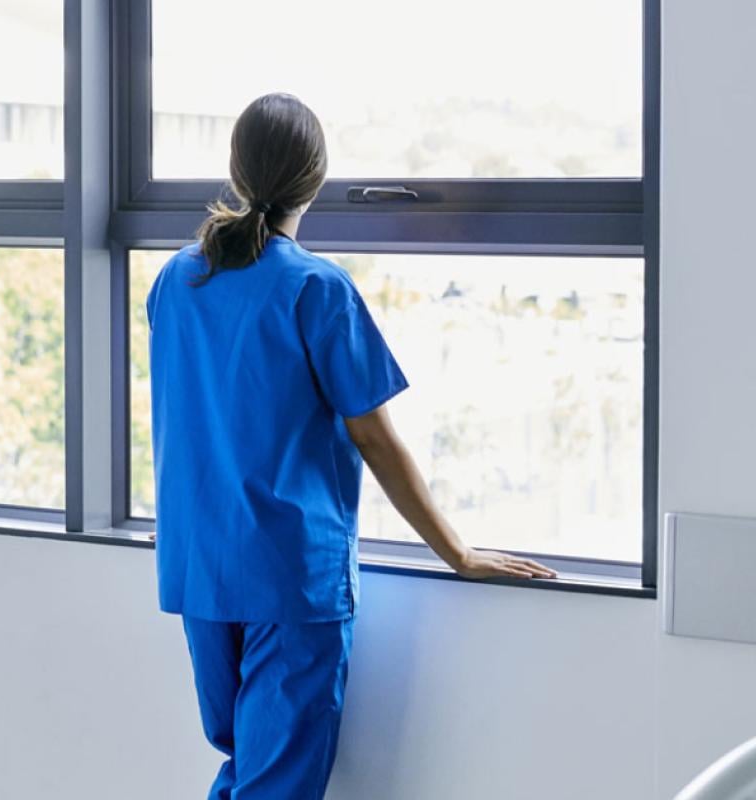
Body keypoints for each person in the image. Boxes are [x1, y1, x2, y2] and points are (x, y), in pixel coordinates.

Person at [145, 93, 557, 800]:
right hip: (286, 574)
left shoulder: (177, 280)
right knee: (271, 783)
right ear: (316, 178)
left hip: (199, 566)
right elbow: (375, 437)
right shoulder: (316, 288)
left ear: (236, 172)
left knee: (246, 769)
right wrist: (456, 553)